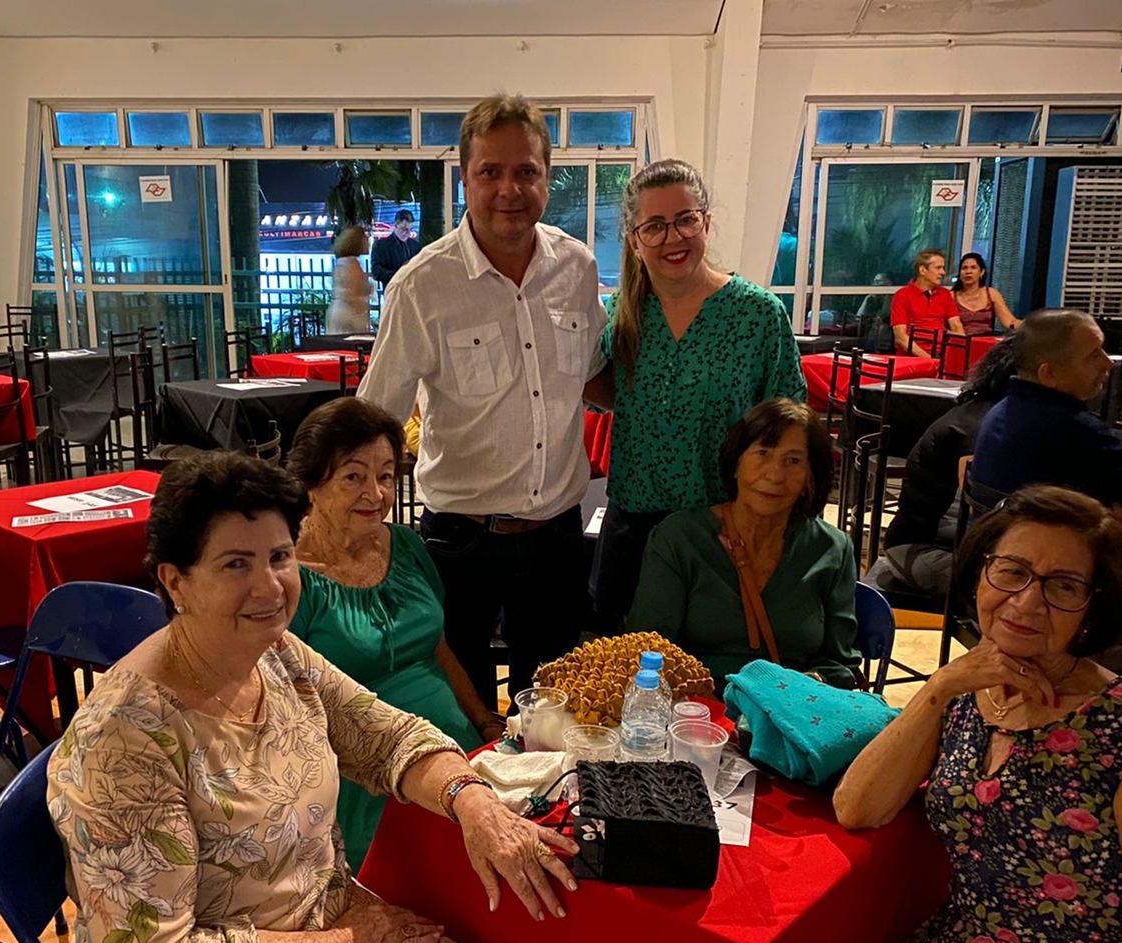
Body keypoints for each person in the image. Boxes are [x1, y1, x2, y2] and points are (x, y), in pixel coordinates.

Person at [48, 452, 577, 943]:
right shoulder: (126, 742)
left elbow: (384, 735)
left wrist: (473, 800)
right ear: (175, 581)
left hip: (321, 924)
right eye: (235, 564)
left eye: (279, 556)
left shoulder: (275, 654)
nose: (270, 587)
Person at [788, 486, 1122, 943]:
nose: (1027, 602)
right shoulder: (969, 688)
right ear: (980, 575)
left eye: (1063, 586)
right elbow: (858, 807)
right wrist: (939, 687)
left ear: (1093, 608)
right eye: (1011, 571)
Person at [357, 92, 607, 707]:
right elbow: (375, 419)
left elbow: (593, 376)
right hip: (459, 545)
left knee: (552, 714)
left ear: (547, 176)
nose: (509, 189)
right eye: (490, 171)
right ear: (465, 180)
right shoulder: (422, 285)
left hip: (556, 539)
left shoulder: (577, 268)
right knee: (458, 711)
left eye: (526, 171)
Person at [581, 159, 806, 626]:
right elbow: (604, 388)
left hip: (723, 529)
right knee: (621, 660)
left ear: (706, 221)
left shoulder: (757, 315)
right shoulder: (620, 313)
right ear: (634, 240)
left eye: (685, 219)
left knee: (711, 662)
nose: (673, 238)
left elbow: (791, 428)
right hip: (633, 529)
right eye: (655, 226)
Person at [287, 397, 505, 870]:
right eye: (353, 477)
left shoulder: (405, 545)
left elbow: (440, 651)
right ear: (311, 483)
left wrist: (486, 724)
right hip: (367, 776)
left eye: (385, 476)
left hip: (456, 751)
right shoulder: (289, 580)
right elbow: (287, 713)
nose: (376, 493)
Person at [628, 399, 859, 688]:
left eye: (793, 461)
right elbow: (646, 650)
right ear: (736, 464)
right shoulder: (678, 539)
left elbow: (841, 664)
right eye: (762, 453)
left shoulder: (832, 548)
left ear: (811, 478)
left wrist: (802, 685)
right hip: (696, 703)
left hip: (789, 701)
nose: (775, 475)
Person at [973, 309, 1122, 512]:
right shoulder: (1072, 427)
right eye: (1093, 355)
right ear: (1049, 373)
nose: (1108, 363)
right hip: (1040, 532)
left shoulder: (1001, 409)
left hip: (996, 530)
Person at [862, 338, 1019, 600]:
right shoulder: (984, 425)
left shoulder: (986, 411)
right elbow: (979, 510)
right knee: (1026, 586)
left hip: (940, 543)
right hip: (922, 551)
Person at [891, 249, 965, 358]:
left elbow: (957, 327)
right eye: (938, 268)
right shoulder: (902, 295)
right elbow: (900, 336)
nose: (943, 273)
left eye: (943, 268)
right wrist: (928, 359)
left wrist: (958, 354)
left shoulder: (944, 294)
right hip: (912, 356)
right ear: (922, 270)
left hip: (942, 353)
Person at [952, 252, 1021, 335]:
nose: (968, 271)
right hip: (960, 340)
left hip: (987, 340)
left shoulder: (992, 294)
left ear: (982, 272)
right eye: (964, 268)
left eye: (973, 267)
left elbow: (1009, 322)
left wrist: (1030, 324)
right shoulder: (951, 296)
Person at [324, 225, 371, 334]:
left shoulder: (342, 262)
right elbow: (353, 293)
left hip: (339, 311)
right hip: (349, 314)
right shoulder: (352, 265)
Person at [370, 209, 422, 292]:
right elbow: (376, 272)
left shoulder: (416, 246)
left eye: (410, 229)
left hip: (413, 293)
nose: (408, 233)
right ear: (396, 225)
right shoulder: (381, 245)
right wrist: (400, 274)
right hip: (393, 292)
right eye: (404, 229)